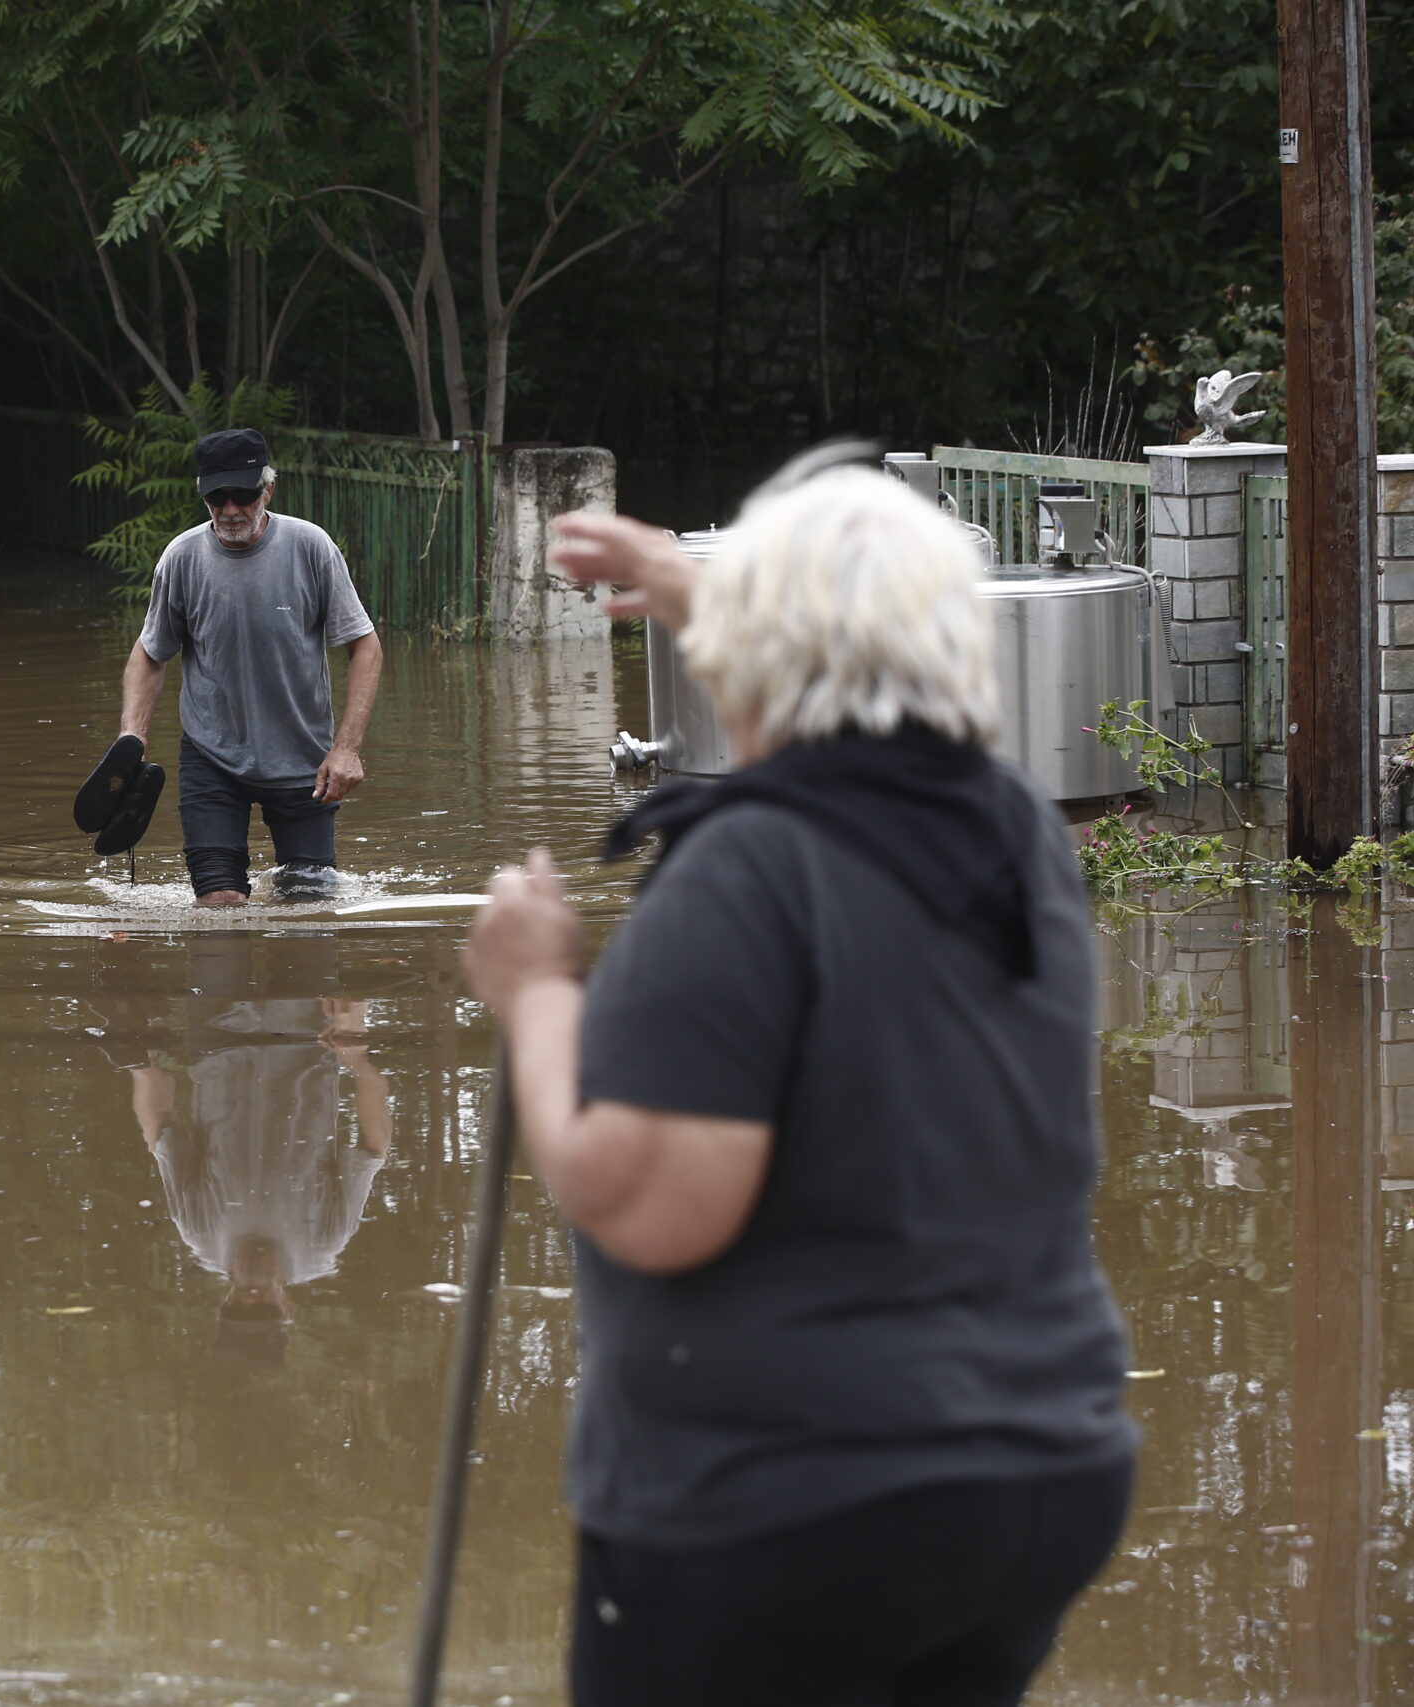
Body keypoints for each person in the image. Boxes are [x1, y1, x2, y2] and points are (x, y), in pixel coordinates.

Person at [462, 465, 1137, 1707]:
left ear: (752, 658)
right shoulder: (1014, 832)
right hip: (1034, 1472)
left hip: (791, 1502)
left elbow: (653, 1200)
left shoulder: (749, 868)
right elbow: (843, 658)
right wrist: (683, 579)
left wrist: (539, 995)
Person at [91, 934, 393, 1359]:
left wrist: (140, 1065)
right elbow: (373, 1148)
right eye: (263, 1305)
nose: (252, 1291)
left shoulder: (199, 1234)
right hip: (308, 1039)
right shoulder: (324, 1244)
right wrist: (357, 1054)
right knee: (305, 901)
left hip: (218, 1039)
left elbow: (160, 1133)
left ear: (224, 1303)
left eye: (241, 1304)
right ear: (284, 1305)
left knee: (219, 915)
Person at [115, 427, 383, 906]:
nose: (231, 509)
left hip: (306, 763)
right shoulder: (182, 558)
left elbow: (365, 645)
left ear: (269, 489)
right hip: (211, 757)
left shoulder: (311, 547)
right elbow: (150, 652)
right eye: (218, 497)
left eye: (244, 495)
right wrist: (131, 736)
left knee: (310, 912)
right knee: (219, 905)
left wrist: (347, 748)